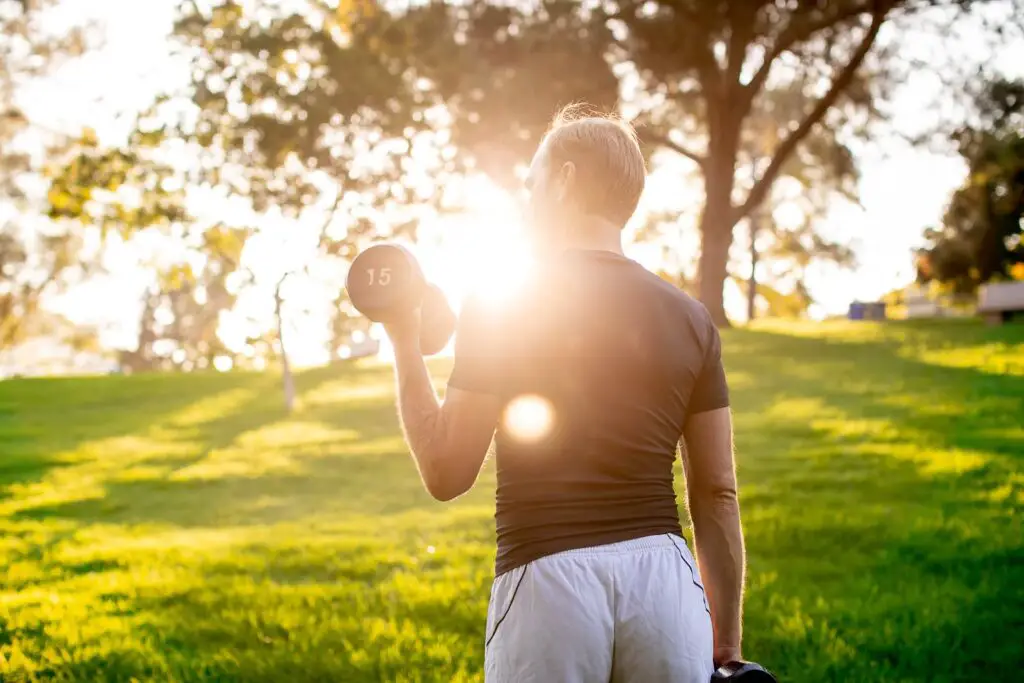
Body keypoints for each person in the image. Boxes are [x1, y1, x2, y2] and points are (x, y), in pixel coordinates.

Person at [382, 104, 746, 683]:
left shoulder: (504, 302)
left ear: (566, 180)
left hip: (547, 583)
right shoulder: (692, 319)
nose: (527, 202)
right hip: (666, 590)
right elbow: (717, 491)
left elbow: (446, 472)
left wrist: (402, 336)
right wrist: (724, 639)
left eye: (533, 183)